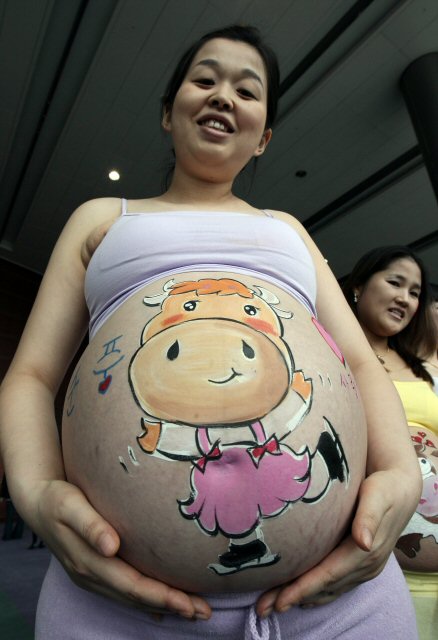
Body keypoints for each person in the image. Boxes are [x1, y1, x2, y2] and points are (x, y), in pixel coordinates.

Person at [0, 25, 421, 640]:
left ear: (264, 138)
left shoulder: (288, 229)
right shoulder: (103, 218)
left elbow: (360, 364)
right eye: (205, 79)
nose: (223, 95)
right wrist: (35, 491)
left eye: (247, 91)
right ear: (168, 113)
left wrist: (401, 472)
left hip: (336, 598)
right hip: (117, 604)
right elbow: (32, 375)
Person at [343, 245, 438, 640]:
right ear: (358, 287)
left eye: (415, 292)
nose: (405, 298)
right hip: (378, 579)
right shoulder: (331, 356)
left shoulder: (427, 368)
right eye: (395, 283)